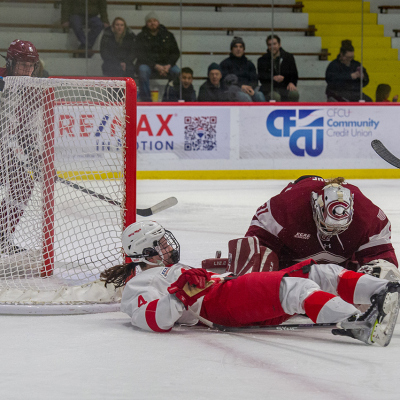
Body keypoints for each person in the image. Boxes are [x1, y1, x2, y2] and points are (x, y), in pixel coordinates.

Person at [100, 221, 400, 346]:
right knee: (295, 290)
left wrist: (210, 274)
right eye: (161, 244)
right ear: (146, 253)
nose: (169, 246)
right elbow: (154, 320)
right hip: (218, 305)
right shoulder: (138, 284)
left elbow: (195, 282)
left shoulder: (166, 270)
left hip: (229, 289)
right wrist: (185, 291)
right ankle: (358, 325)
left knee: (321, 273)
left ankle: (385, 291)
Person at [245, 176, 398, 274]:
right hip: (288, 267)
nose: (331, 233)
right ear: (316, 207)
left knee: (382, 269)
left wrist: (385, 283)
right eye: (328, 226)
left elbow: (381, 257)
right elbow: (255, 245)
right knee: (258, 257)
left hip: (342, 269)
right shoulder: (285, 206)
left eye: (339, 229)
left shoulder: (368, 215)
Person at [0, 40, 40, 254]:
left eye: (31, 65)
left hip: (2, 151)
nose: (28, 70)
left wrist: (35, 156)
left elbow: (26, 132)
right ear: (11, 62)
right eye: (23, 64)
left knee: (23, 183)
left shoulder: (33, 90)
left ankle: (1, 237)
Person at [135, 12, 180, 102]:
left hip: (166, 65)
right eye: (150, 21)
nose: (152, 23)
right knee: (143, 71)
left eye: (155, 20)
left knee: (177, 72)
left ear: (158, 22)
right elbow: (140, 55)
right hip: (148, 65)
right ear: (146, 23)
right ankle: (147, 101)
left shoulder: (168, 35)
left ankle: (170, 99)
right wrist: (155, 66)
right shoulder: (141, 36)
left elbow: (176, 53)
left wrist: (168, 65)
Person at [220, 37, 265, 102]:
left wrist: (250, 88)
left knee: (259, 95)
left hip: (249, 89)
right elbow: (225, 81)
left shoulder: (250, 64)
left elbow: (255, 79)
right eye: (236, 46)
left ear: (243, 49)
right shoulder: (225, 64)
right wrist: (241, 86)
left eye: (240, 47)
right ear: (231, 49)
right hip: (234, 91)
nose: (238, 49)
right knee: (245, 98)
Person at [257, 34, 299, 102]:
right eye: (270, 45)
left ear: (279, 44)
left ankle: (291, 112)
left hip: (285, 87)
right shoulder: (262, 60)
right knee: (275, 96)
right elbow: (261, 76)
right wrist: (273, 78)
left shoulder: (289, 57)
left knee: (294, 94)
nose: (272, 47)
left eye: (274, 44)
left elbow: (294, 74)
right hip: (269, 89)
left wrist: (291, 82)